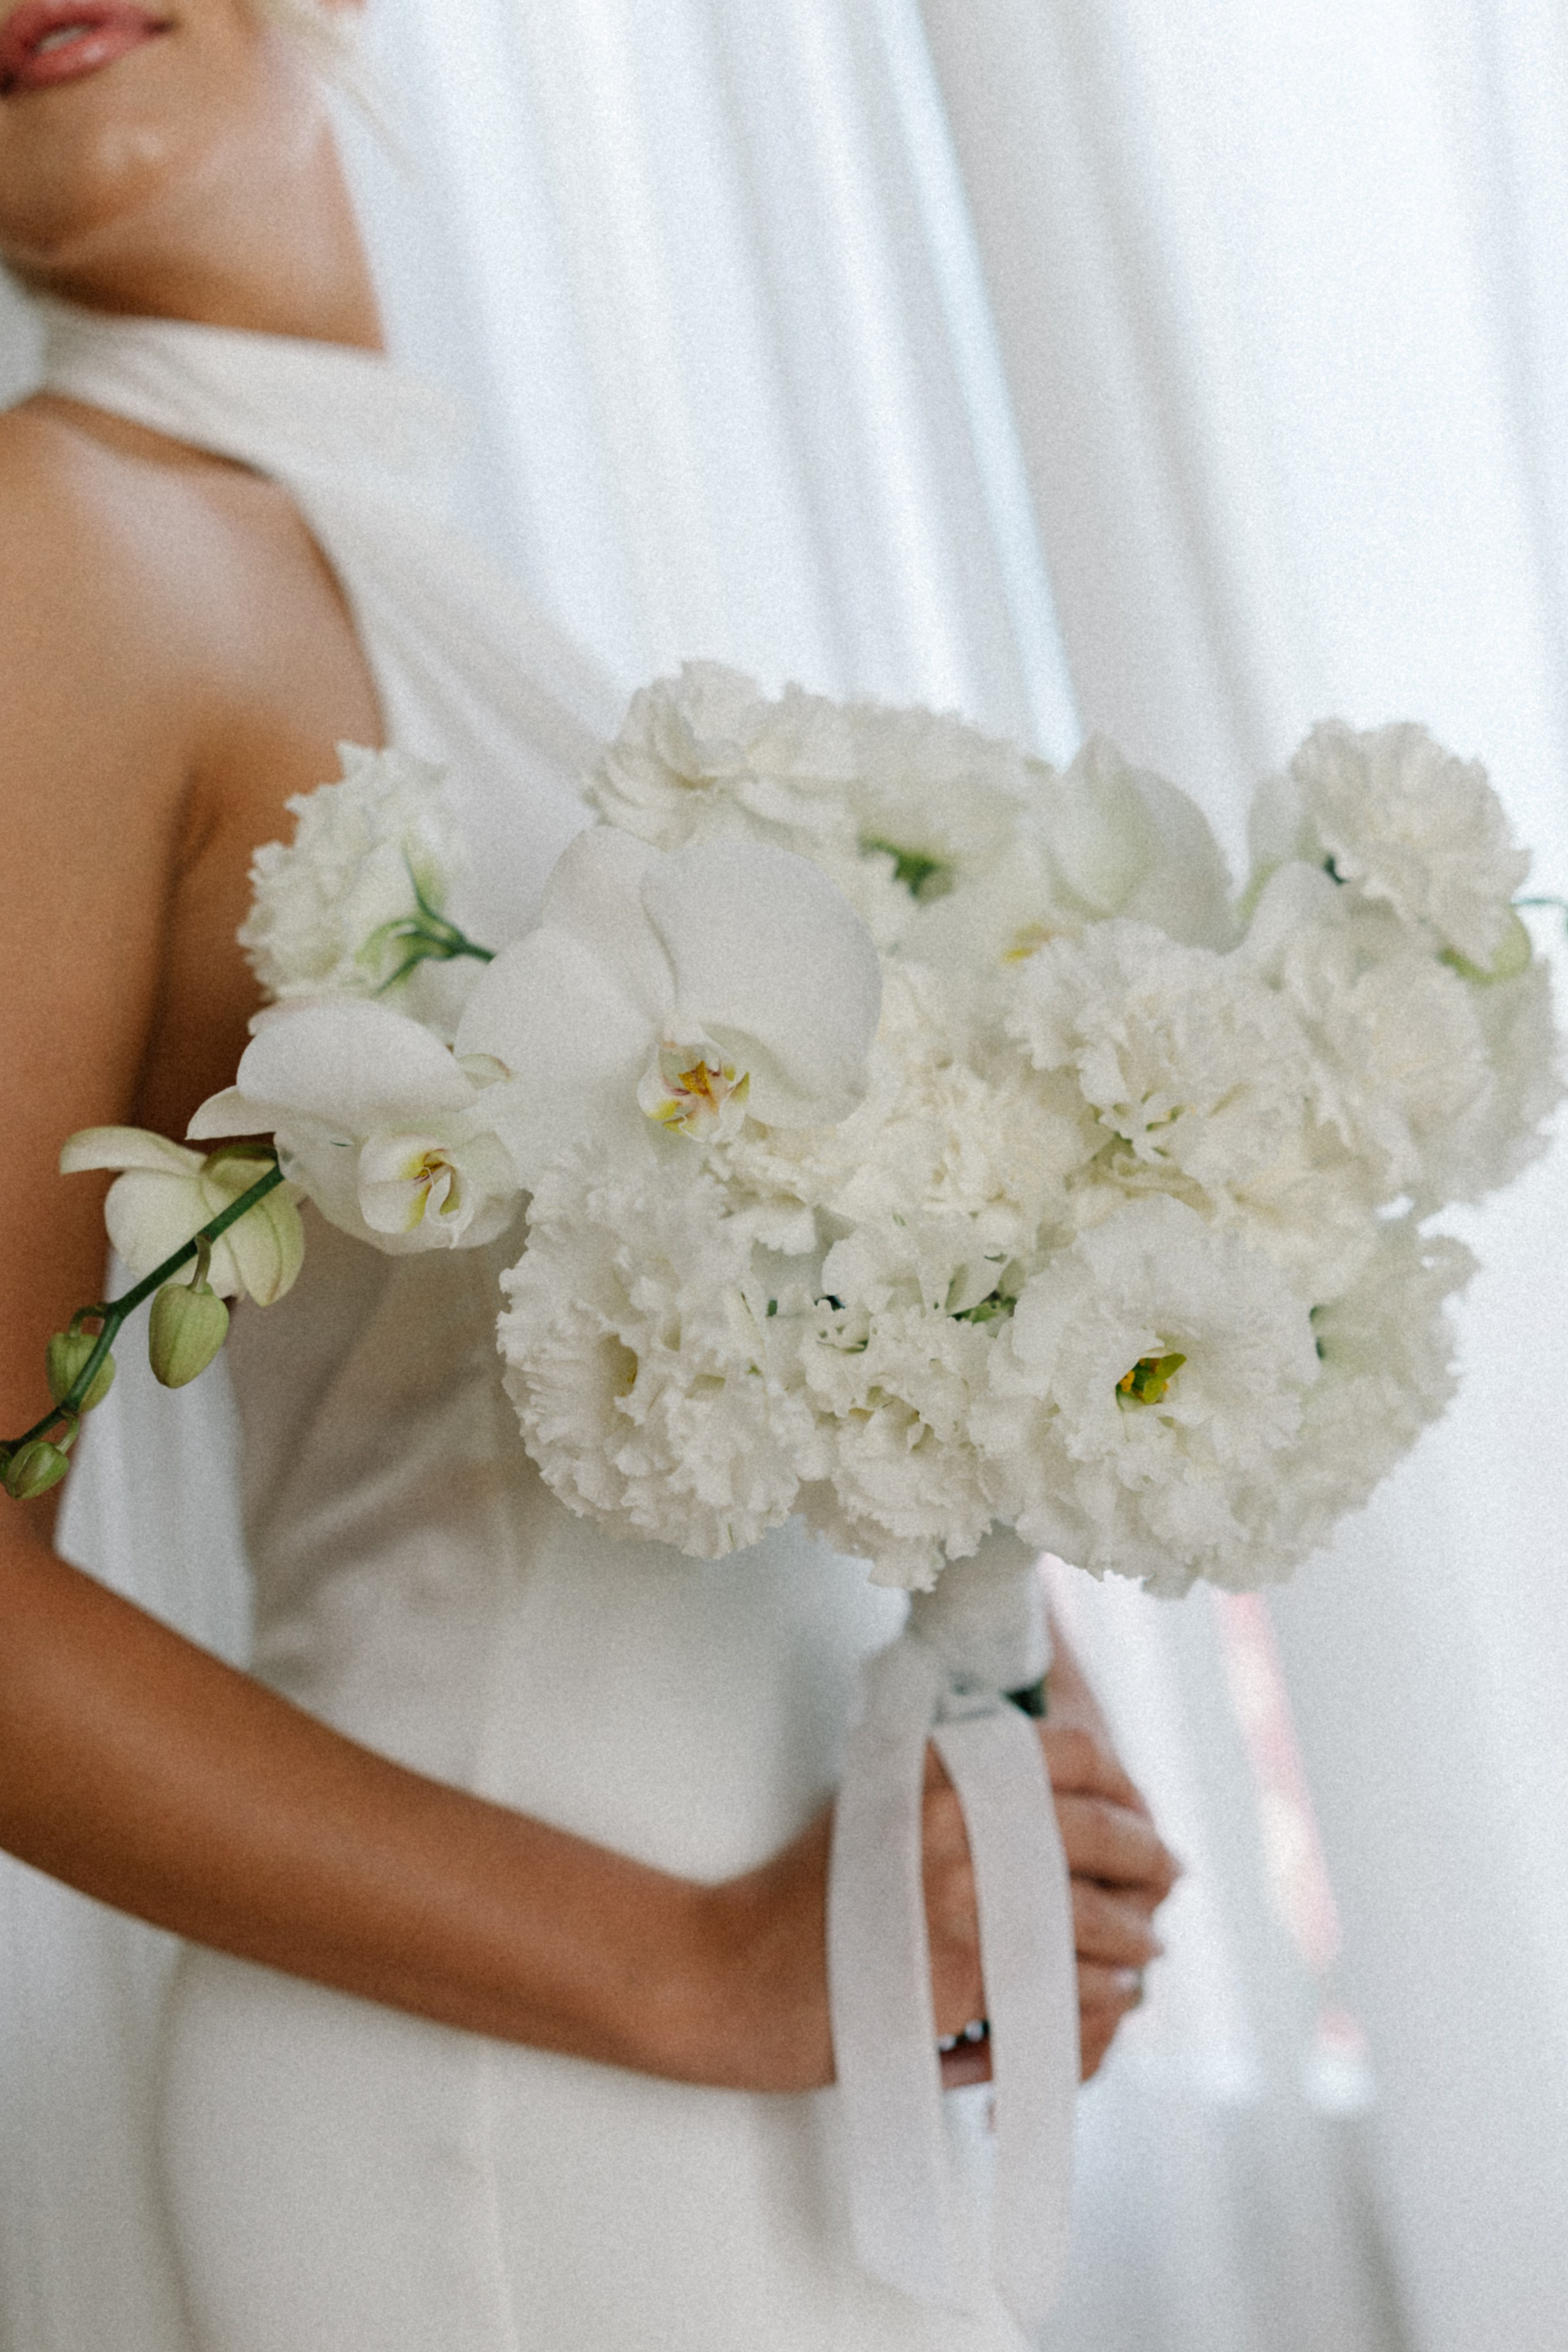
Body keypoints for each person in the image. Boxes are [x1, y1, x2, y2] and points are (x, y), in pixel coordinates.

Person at [0, 4, 1179, 2345]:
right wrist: (696, 1971)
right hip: (519, 2087)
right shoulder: (68, 556)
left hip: (755, 2045)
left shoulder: (409, 568)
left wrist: (1012, 1732)